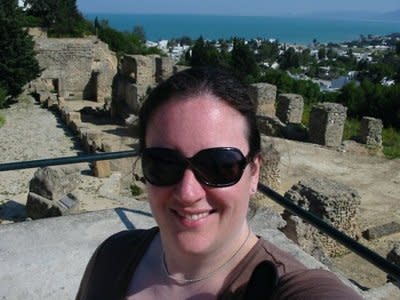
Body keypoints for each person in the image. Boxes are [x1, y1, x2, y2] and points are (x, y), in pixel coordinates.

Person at [76, 67, 362, 299]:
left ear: (254, 174)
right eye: (163, 164)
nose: (188, 193)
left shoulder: (288, 289)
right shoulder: (111, 258)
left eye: (219, 166)